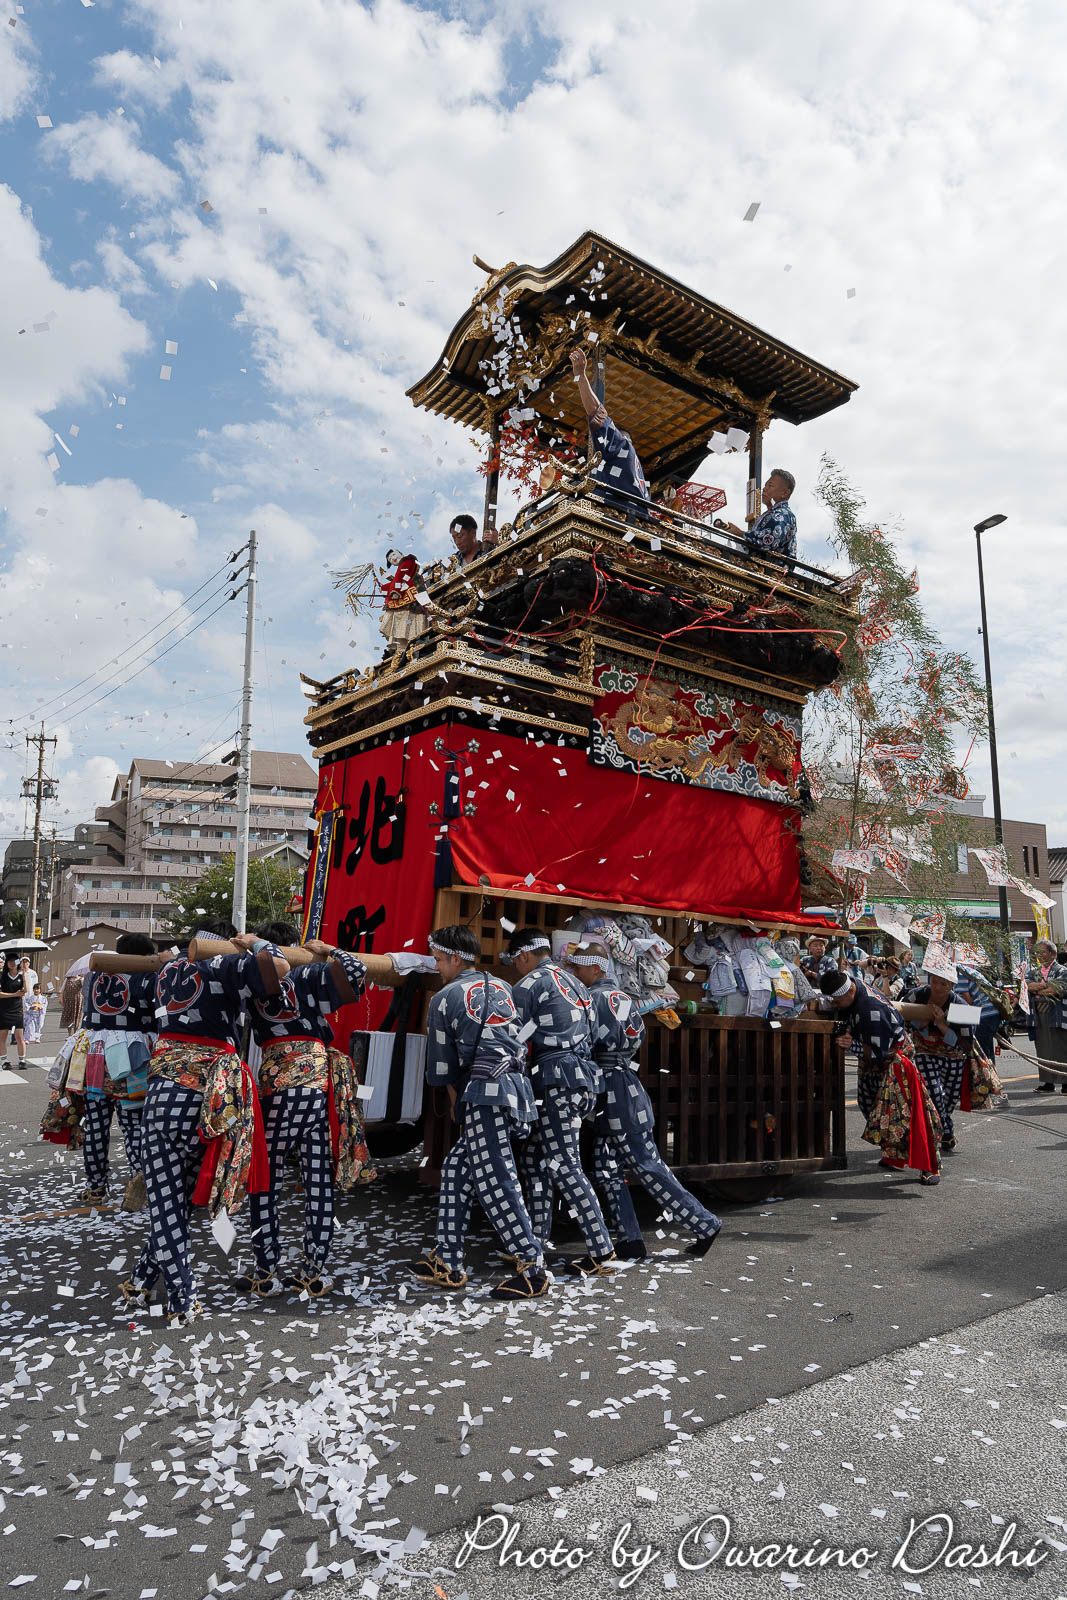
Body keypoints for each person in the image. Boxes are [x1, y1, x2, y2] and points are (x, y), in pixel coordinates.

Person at [122, 932, 289, 1325]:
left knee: (168, 1202)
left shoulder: (164, 970)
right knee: (182, 1202)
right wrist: (257, 942)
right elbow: (279, 967)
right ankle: (178, 1296)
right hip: (209, 1100)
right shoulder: (223, 963)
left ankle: (149, 1283)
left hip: (161, 1095)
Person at [410, 924, 548, 1300]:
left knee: (496, 1180)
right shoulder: (504, 986)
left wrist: (459, 1096)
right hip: (517, 1089)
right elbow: (521, 1038)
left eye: (439, 960)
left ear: (456, 959)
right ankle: (448, 1260)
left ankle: (532, 1268)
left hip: (484, 1094)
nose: (437, 967)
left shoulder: (444, 998)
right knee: (457, 1169)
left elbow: (441, 1070)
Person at [566, 940, 722, 1258]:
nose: (574, 973)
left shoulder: (593, 999)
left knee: (646, 1166)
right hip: (623, 1086)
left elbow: (588, 1045)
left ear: (595, 968)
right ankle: (630, 1240)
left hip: (612, 1092)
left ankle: (705, 1223)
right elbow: (634, 1038)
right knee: (607, 1169)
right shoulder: (624, 997)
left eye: (578, 967)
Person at [239, 919, 368, 1299]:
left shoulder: (252, 979)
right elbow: (356, 970)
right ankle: (314, 1271)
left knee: (266, 1180)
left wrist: (253, 944)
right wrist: (330, 951)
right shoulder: (310, 974)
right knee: (318, 1181)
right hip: (318, 1088)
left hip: (278, 1088)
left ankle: (266, 1271)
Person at [506, 926, 615, 1276]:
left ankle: (601, 1250)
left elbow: (513, 1039)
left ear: (524, 955)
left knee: (564, 1164)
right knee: (536, 1158)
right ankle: (534, 1242)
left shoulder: (529, 985)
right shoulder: (578, 984)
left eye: (515, 961)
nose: (516, 968)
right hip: (583, 1079)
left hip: (557, 1080)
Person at [818, 969, 941, 1185]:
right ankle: (893, 1152)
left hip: (893, 1063)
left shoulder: (870, 1009)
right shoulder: (852, 986)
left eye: (836, 1002)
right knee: (870, 1107)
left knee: (906, 1116)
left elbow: (879, 1053)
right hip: (872, 1064)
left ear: (850, 991)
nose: (834, 1005)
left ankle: (930, 1166)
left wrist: (852, 1044)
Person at [78, 932, 159, 1209]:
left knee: (95, 1125)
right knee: (133, 1124)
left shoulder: (93, 977)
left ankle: (95, 1186)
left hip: (96, 1055)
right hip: (132, 1057)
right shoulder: (145, 978)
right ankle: (138, 1180)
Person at [901, 964, 972, 1155]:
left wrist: (941, 1025)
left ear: (952, 986)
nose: (937, 987)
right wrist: (921, 1023)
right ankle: (945, 1131)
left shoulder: (961, 1006)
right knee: (933, 1092)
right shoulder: (916, 996)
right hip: (924, 1052)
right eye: (934, 981)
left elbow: (966, 1043)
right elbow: (899, 1020)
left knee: (949, 1099)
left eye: (943, 984)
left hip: (953, 1054)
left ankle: (944, 1127)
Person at [570, 347, 650, 513]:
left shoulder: (623, 449)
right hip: (636, 518)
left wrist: (581, 377)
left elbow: (597, 413)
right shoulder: (636, 472)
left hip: (616, 517)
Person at [721, 469, 797, 560]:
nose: (764, 489)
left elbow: (769, 541)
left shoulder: (783, 514)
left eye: (770, 486)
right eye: (765, 485)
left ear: (785, 493)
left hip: (771, 567)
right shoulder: (774, 513)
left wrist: (741, 533)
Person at [1025, 938, 1067, 1093]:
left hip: (1057, 1015)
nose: (1040, 955)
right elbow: (1027, 986)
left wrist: (1038, 988)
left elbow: (1056, 990)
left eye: (1043, 952)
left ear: (1053, 954)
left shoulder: (1063, 971)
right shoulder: (1034, 971)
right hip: (1039, 1015)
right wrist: (1043, 987)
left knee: (1061, 1049)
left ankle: (1065, 1083)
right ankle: (1048, 1082)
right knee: (1043, 1050)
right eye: (1038, 953)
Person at [0, 952, 32, 1070]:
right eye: (10, 961)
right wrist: (14, 994)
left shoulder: (21, 975)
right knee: (2, 1037)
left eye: (15, 960)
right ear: (7, 963)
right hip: (4, 1010)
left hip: (17, 1010)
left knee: (20, 1037)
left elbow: (25, 991)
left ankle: (22, 1060)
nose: (12, 963)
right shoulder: (2, 976)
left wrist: (24, 977)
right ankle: (4, 1061)